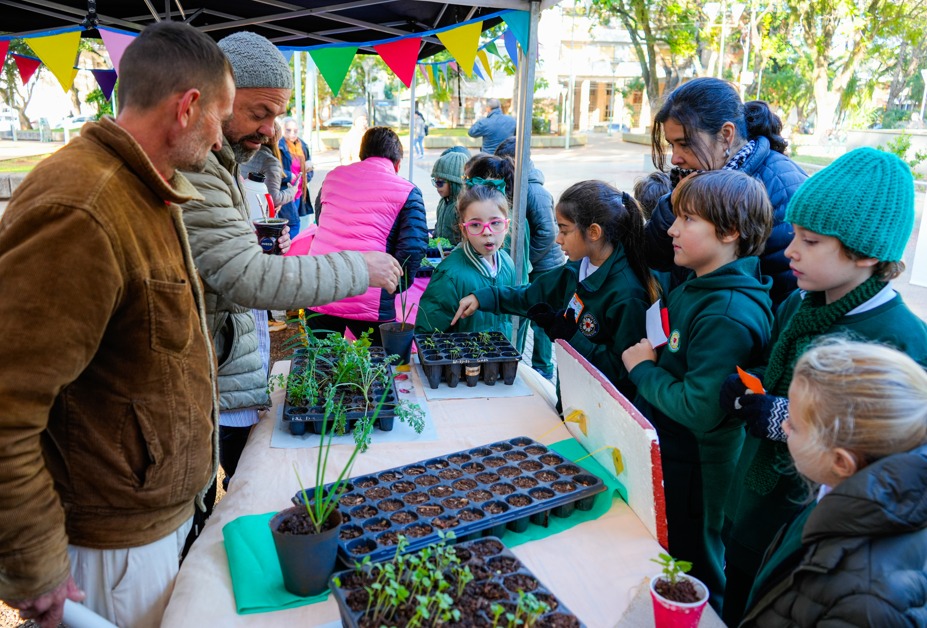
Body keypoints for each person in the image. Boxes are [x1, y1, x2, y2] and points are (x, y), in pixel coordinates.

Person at [0, 22, 233, 628]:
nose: (221, 137)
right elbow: (6, 406)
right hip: (108, 553)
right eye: (221, 118)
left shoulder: (137, 187)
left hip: (144, 529)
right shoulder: (85, 206)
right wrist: (36, 565)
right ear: (188, 108)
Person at [180, 32, 402, 531]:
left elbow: (229, 264)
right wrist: (358, 269)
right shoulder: (198, 169)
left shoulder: (221, 164)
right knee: (221, 511)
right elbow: (247, 279)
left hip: (229, 376)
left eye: (275, 115)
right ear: (217, 100)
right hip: (210, 386)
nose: (270, 129)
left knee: (225, 501)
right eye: (259, 113)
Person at [718, 146, 927, 625]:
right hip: (753, 501)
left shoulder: (901, 341)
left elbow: (897, 461)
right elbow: (774, 366)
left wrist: (784, 420)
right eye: (794, 233)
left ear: (868, 254)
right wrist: (748, 387)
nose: (789, 250)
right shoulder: (799, 303)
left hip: (816, 539)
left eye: (810, 241)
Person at [622, 170, 775, 612]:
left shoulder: (726, 312)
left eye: (687, 219)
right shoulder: (700, 284)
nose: (670, 229)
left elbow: (699, 408)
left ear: (729, 232)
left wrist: (644, 371)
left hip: (698, 466)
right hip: (676, 452)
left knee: (698, 573)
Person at [739, 340, 927, 627]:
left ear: (841, 462)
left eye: (795, 424)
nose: (783, 425)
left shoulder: (868, 602)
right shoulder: (842, 491)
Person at [454, 180, 657, 399]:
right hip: (571, 394)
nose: (558, 239)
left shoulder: (627, 294)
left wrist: (572, 336)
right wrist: (483, 297)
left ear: (594, 232)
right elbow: (530, 295)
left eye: (564, 230)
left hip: (602, 410)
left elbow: (624, 371)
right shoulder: (575, 269)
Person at [645, 77, 807, 308]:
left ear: (726, 135)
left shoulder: (782, 190)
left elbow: (786, 295)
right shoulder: (695, 176)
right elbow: (656, 257)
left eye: (685, 144)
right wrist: (673, 204)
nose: (675, 158)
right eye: (672, 145)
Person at [307, 126, 428, 345]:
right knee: (374, 371)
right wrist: (394, 287)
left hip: (320, 287)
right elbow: (412, 249)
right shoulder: (408, 190)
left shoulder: (332, 178)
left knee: (322, 366)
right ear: (397, 163)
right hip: (370, 297)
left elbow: (320, 220)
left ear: (362, 155)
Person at [495, 136, 565, 380]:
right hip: (528, 263)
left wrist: (525, 260)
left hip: (545, 265)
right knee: (523, 311)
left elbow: (548, 233)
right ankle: (520, 362)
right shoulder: (516, 186)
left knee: (542, 319)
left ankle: (544, 369)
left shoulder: (535, 191)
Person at [416, 184, 516, 335]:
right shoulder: (449, 275)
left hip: (501, 357)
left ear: (506, 225)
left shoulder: (507, 263)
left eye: (495, 223)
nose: (487, 232)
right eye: (475, 225)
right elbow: (427, 333)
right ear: (464, 229)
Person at [241, 120, 299, 238]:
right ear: (276, 139)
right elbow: (273, 198)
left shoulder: (244, 155)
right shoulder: (270, 161)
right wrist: (293, 190)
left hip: (244, 214)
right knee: (294, 227)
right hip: (261, 220)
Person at [431, 147, 470, 245]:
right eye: (434, 181)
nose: (436, 185)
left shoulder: (463, 207)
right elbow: (438, 228)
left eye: (440, 182)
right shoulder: (443, 202)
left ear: (454, 182)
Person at [279, 116, 313, 219]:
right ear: (282, 130)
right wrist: (290, 176)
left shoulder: (302, 145)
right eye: (288, 130)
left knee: (296, 222)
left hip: (299, 191)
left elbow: (310, 166)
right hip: (285, 190)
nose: (292, 133)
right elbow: (274, 170)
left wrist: (309, 170)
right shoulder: (279, 146)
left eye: (295, 130)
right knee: (293, 224)